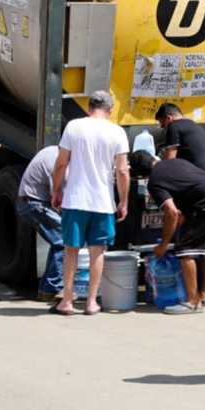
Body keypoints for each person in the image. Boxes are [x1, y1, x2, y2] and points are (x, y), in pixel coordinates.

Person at [51, 91, 130, 316]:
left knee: (70, 250)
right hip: (103, 202)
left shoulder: (74, 127)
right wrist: (123, 200)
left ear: (89, 106)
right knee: (98, 251)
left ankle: (66, 301)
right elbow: (122, 170)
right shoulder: (117, 132)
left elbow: (60, 163)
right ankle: (91, 302)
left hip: (75, 199)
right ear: (110, 109)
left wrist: (56, 190)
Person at [129, 151, 205, 314]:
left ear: (140, 173)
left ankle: (193, 302)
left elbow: (171, 213)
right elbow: (188, 189)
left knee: (185, 250)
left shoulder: (155, 181)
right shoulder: (175, 161)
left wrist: (163, 244)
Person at [155, 102, 205, 306]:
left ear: (169, 118)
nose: (163, 129)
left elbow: (170, 160)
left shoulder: (175, 126)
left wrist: (160, 174)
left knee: (187, 247)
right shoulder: (198, 129)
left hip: (199, 193)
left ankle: (192, 298)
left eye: (161, 124)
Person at [16, 145, 65, 301]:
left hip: (32, 202)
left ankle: (47, 289)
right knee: (64, 240)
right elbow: (57, 199)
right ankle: (51, 288)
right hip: (34, 204)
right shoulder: (56, 161)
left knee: (58, 240)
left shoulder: (54, 151)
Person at [155, 103, 205, 176]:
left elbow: (170, 161)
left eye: (163, 124)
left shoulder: (173, 126)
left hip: (198, 177)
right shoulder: (195, 126)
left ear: (169, 118)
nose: (163, 127)